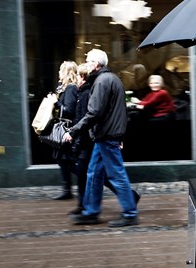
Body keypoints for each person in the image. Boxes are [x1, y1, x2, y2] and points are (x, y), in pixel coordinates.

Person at [63, 48, 139, 227]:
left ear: (96, 64)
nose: (86, 63)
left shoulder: (102, 81)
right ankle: (91, 212)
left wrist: (73, 131)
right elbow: (118, 111)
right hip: (106, 135)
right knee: (94, 174)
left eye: (88, 60)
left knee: (116, 175)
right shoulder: (111, 79)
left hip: (106, 136)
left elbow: (94, 113)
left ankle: (129, 213)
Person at [47, 61, 79, 200]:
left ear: (67, 72)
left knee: (68, 161)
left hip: (68, 130)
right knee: (62, 160)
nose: (59, 72)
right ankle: (67, 189)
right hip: (63, 130)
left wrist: (56, 102)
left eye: (61, 70)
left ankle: (89, 179)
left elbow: (69, 111)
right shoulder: (63, 87)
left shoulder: (71, 88)